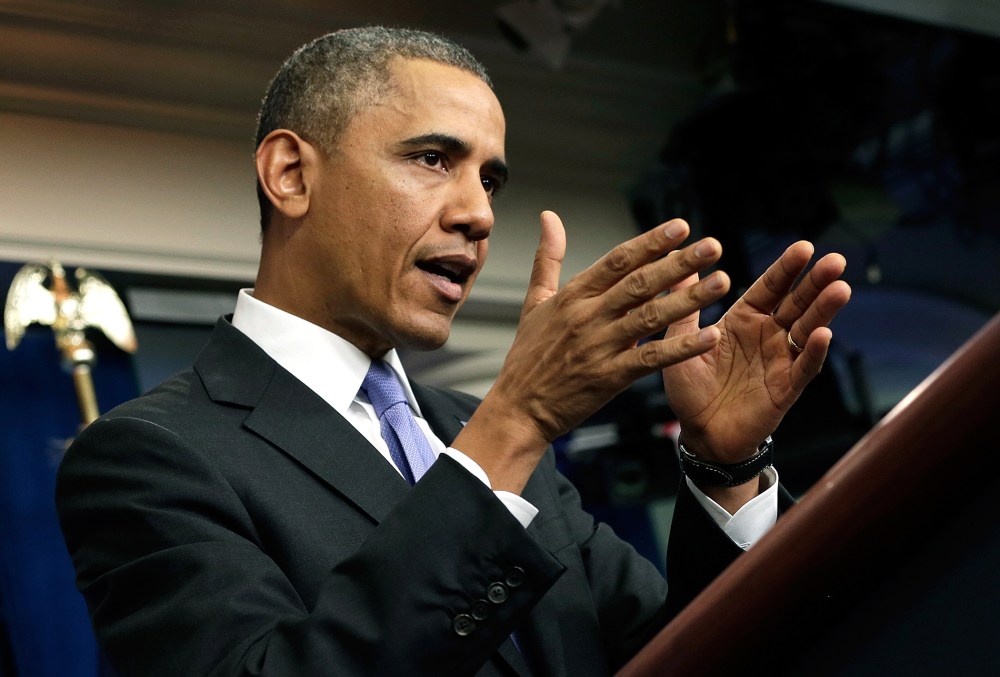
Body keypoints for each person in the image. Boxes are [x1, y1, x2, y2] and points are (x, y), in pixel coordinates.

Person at [55, 26, 851, 677]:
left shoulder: (494, 438)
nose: (478, 213)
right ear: (291, 174)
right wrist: (518, 418)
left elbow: (683, 650)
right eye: (433, 159)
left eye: (491, 181)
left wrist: (724, 467)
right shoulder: (146, 456)